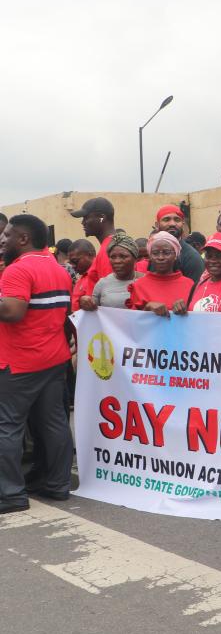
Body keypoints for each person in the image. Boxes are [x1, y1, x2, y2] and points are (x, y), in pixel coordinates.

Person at [0, 214, 74, 511]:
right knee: (54, 423)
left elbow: (12, 312)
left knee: (7, 426)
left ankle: (10, 494)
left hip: (19, 362)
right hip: (53, 358)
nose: (2, 239)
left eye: (7, 235)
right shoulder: (58, 269)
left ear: (23, 239)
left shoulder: (17, 270)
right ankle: (57, 485)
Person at [127, 232, 193, 317]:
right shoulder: (138, 286)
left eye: (166, 253)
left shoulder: (189, 285)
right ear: (150, 256)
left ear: (176, 255)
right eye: (155, 253)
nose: (160, 257)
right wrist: (147, 308)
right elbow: (132, 320)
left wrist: (185, 309)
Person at [78, 233, 143, 311]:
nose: (117, 261)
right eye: (113, 257)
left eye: (123, 256)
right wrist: (85, 302)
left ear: (135, 259)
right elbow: (92, 311)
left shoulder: (145, 281)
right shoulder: (102, 284)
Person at [70, 197, 116, 292]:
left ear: (102, 218)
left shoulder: (110, 250)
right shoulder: (110, 246)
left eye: (86, 217)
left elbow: (110, 293)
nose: (82, 222)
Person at [153, 205, 205, 283]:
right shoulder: (153, 253)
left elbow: (195, 289)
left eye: (177, 220)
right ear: (157, 225)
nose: (172, 224)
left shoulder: (192, 258)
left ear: (182, 224)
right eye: (166, 219)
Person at [67, 239, 96, 311]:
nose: (72, 266)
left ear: (90, 255)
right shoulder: (82, 277)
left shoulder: (98, 275)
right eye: (70, 263)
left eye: (75, 261)